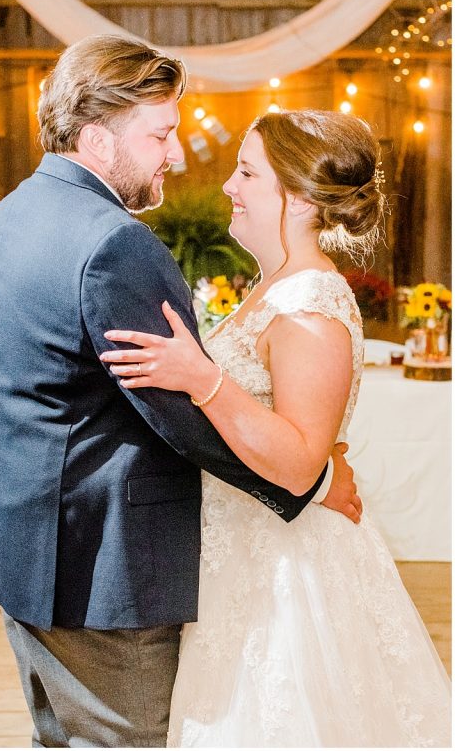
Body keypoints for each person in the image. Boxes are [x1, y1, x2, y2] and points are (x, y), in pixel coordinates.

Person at [0, 35, 362, 748]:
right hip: (102, 572)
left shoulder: (9, 215)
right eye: (161, 134)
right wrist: (313, 479)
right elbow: (178, 415)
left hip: (25, 547)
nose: (177, 156)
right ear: (96, 137)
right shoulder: (114, 243)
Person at [100, 110, 451, 746]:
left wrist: (200, 378)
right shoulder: (277, 287)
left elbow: (298, 463)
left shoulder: (310, 304)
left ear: (294, 195)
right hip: (243, 552)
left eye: (246, 172)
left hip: (289, 570)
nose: (229, 187)